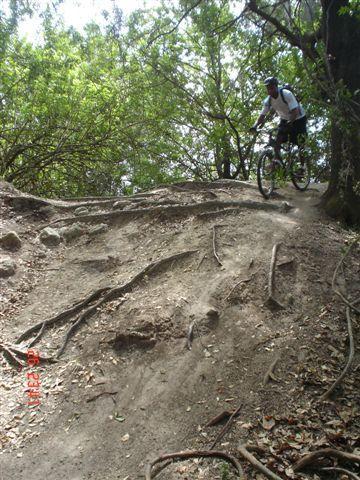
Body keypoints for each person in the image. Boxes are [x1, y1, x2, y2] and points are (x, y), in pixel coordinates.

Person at [250, 77, 307, 166]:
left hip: (299, 118)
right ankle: (276, 161)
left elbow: (295, 111)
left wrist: (290, 123)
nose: (270, 90)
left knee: (300, 143)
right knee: (277, 140)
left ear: (276, 86)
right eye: (268, 88)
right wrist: (255, 126)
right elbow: (262, 115)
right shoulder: (268, 100)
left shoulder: (286, 94)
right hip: (285, 119)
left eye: (271, 88)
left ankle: (302, 167)